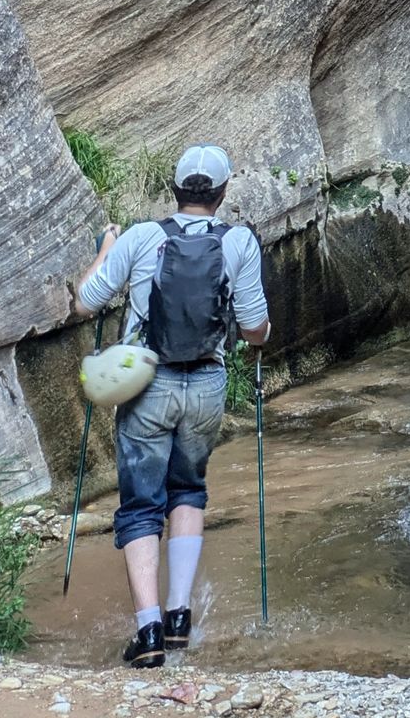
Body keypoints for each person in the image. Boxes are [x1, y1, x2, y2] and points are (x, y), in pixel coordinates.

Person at [76, 144, 270, 668]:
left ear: (175, 188)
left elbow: (87, 300)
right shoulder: (239, 243)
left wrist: (106, 245)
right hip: (206, 384)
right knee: (188, 489)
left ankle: (150, 631)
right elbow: (254, 330)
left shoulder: (142, 237)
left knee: (141, 502)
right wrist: (259, 332)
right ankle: (181, 617)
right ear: (223, 193)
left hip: (147, 384)